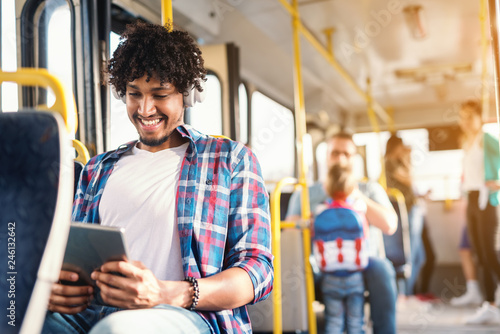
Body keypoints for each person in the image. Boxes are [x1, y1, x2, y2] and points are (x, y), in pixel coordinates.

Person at [42, 22, 273, 334]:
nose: (145, 108)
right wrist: (62, 290)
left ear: (186, 94)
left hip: (190, 316)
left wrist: (166, 293)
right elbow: (76, 260)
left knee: (120, 329)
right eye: (134, 94)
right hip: (94, 314)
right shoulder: (97, 170)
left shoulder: (230, 160)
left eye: (160, 94)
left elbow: (258, 271)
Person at [287, 132, 398, 334]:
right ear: (326, 157)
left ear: (355, 159)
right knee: (292, 273)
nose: (340, 159)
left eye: (347, 154)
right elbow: (289, 229)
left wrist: (355, 195)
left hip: (364, 262)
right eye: (335, 153)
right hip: (320, 262)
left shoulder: (369, 189)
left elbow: (390, 225)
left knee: (382, 269)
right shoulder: (306, 193)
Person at [456, 99, 500, 324]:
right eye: (462, 116)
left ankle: (495, 302)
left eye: (469, 116)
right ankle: (491, 304)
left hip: (486, 199)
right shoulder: (467, 141)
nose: (465, 121)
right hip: (472, 199)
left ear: (479, 117)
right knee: (480, 255)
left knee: (490, 254)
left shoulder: (486, 139)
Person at [313, 163, 370, 333]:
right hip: (355, 277)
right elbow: (365, 236)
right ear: (353, 188)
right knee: (355, 323)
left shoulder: (320, 211)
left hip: (329, 277)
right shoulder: (358, 209)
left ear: (326, 187)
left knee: (334, 322)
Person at [384, 134, 426, 296]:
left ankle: (407, 293)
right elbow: (409, 179)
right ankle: (404, 294)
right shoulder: (390, 163)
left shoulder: (396, 163)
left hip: (411, 208)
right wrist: (408, 158)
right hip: (406, 212)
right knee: (409, 254)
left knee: (419, 257)